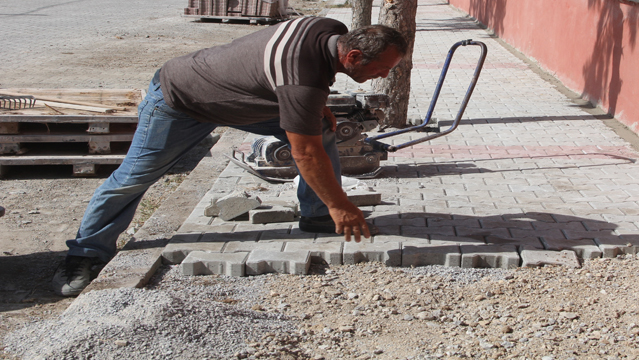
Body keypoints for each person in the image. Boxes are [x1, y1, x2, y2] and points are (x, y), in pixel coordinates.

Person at [52, 16, 407, 297]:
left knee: (323, 128)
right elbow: (305, 152)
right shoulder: (301, 78)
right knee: (134, 177)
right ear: (353, 56)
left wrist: (314, 106)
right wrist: (341, 204)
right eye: (382, 68)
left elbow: (296, 80)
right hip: (181, 100)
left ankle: (316, 215)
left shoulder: (327, 30)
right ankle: (85, 252)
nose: (384, 76)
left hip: (237, 97)